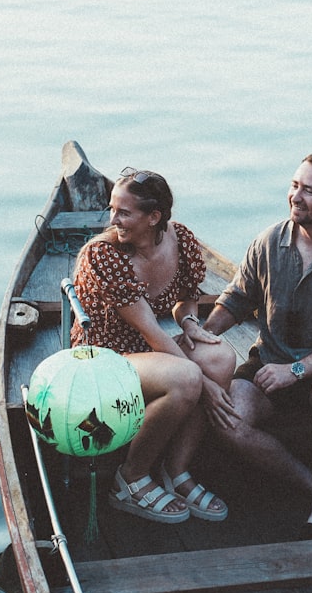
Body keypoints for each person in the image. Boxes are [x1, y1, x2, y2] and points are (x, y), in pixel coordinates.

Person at [203, 152, 312, 539]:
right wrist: (201, 333)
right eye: (294, 185)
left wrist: (296, 370)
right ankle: (309, 482)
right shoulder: (269, 241)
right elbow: (236, 300)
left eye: (309, 191)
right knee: (228, 418)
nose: (295, 197)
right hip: (269, 362)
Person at [71, 167, 238, 524]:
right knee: (187, 378)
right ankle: (129, 478)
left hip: (149, 352)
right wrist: (204, 385)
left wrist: (190, 322)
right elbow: (150, 330)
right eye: (112, 208)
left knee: (222, 358)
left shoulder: (182, 240)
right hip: (104, 355)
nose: (112, 219)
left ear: (154, 217)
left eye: (123, 212)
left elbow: (186, 298)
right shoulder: (102, 256)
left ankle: (176, 470)